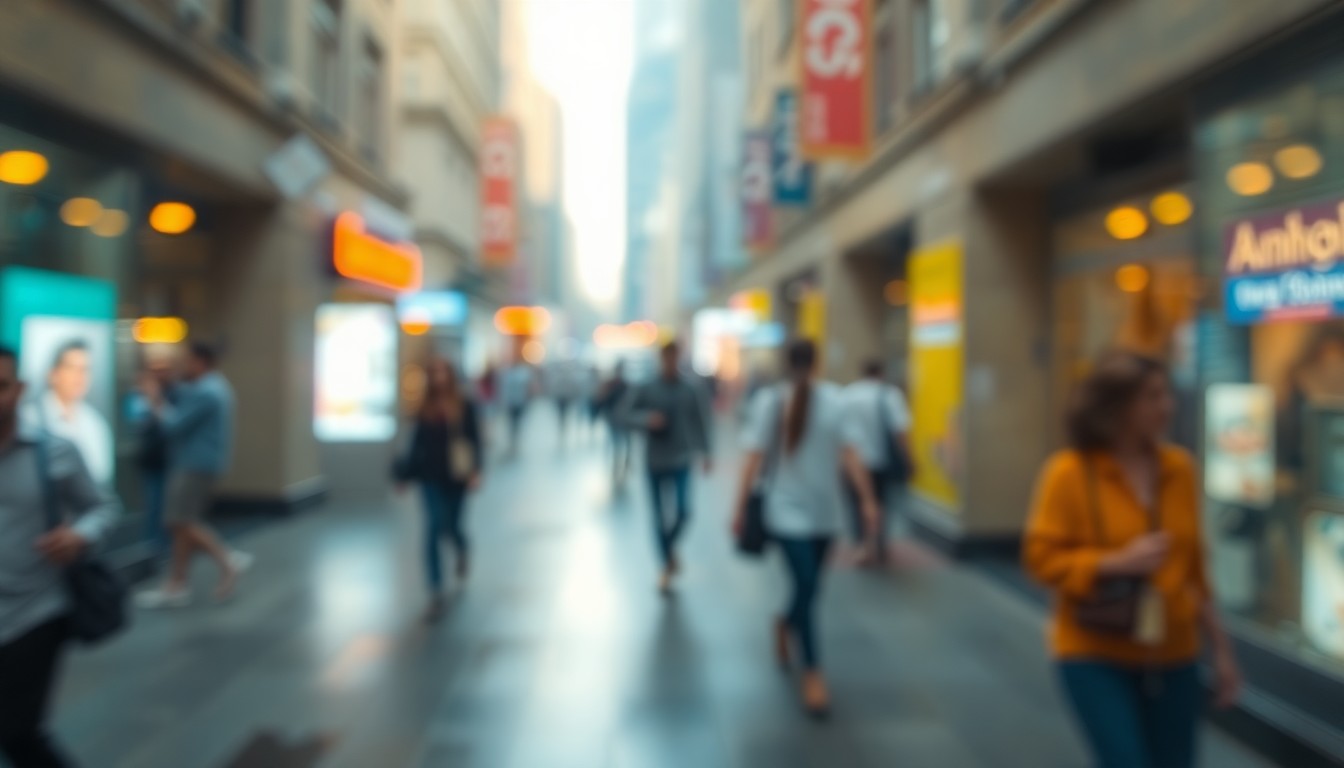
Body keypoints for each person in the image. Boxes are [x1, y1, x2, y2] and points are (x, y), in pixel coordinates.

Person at [1024, 352, 1241, 768]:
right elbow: (1039, 560)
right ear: (1116, 406)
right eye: (1152, 397)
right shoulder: (1068, 472)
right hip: (1093, 651)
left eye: (1167, 395)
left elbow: (1196, 569)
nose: (1167, 406)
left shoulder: (1180, 468)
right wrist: (1113, 562)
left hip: (1175, 653)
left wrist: (1222, 651)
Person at [733, 339, 879, 718]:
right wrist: (739, 507)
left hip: (825, 514)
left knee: (810, 586)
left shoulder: (836, 401)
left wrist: (866, 500)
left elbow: (850, 452)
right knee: (809, 584)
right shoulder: (772, 402)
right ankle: (813, 672)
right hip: (785, 511)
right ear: (817, 362)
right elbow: (755, 455)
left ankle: (785, 621)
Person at [0, 345, 119, 767]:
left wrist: (80, 536)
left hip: (36, 612)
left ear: (19, 389)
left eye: (1, 386)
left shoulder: (55, 451)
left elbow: (103, 508)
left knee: (17, 732)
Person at [136, 342, 249, 608]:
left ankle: (227, 561)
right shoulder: (212, 386)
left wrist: (154, 400)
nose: (183, 367)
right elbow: (183, 393)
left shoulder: (208, 392)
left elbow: (173, 425)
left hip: (193, 465)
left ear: (200, 362)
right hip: (198, 464)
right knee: (181, 526)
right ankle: (177, 583)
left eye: (187, 361)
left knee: (179, 522)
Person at [618, 340, 713, 592]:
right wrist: (646, 419)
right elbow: (623, 414)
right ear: (662, 359)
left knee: (683, 511)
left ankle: (669, 550)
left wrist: (706, 452)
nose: (671, 363)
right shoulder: (647, 387)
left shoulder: (689, 389)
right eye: (667, 358)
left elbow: (700, 421)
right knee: (659, 518)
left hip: (681, 458)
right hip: (655, 461)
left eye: (675, 358)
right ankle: (665, 565)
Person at [400, 360, 484, 619]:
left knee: (451, 525)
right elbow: (416, 444)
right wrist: (403, 474)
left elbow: (475, 440)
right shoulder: (425, 407)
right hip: (430, 476)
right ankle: (435, 590)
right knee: (434, 526)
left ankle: (461, 547)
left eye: (441, 372)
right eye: (433, 372)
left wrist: (476, 471)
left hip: (457, 476)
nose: (438, 378)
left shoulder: (465, 405)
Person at [844, 360, 912, 564]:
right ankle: (879, 543)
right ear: (880, 373)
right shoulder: (890, 395)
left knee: (856, 504)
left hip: (854, 461)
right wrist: (908, 457)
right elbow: (900, 430)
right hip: (880, 461)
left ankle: (861, 544)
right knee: (881, 502)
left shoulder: (848, 395)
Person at [30, 340, 114, 486]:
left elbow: (102, 481)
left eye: (85, 369)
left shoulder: (95, 424)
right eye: (72, 368)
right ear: (53, 374)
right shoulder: (30, 420)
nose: (80, 376)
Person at [130, 361, 176, 558]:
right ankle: (152, 545)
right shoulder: (137, 402)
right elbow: (137, 424)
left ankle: (162, 545)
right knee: (153, 504)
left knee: (164, 507)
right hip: (151, 461)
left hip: (166, 461)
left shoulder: (167, 398)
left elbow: (171, 424)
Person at [597, 360, 632, 487]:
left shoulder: (625, 385)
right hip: (613, 419)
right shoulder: (610, 384)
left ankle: (625, 463)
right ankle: (617, 464)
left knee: (626, 443)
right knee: (617, 443)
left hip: (624, 419)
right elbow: (602, 400)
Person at [500, 359, 535, 458]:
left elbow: (528, 388)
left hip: (518, 402)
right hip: (514, 402)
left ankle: (514, 441)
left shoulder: (520, 374)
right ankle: (513, 441)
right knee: (513, 423)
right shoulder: (511, 374)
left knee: (515, 423)